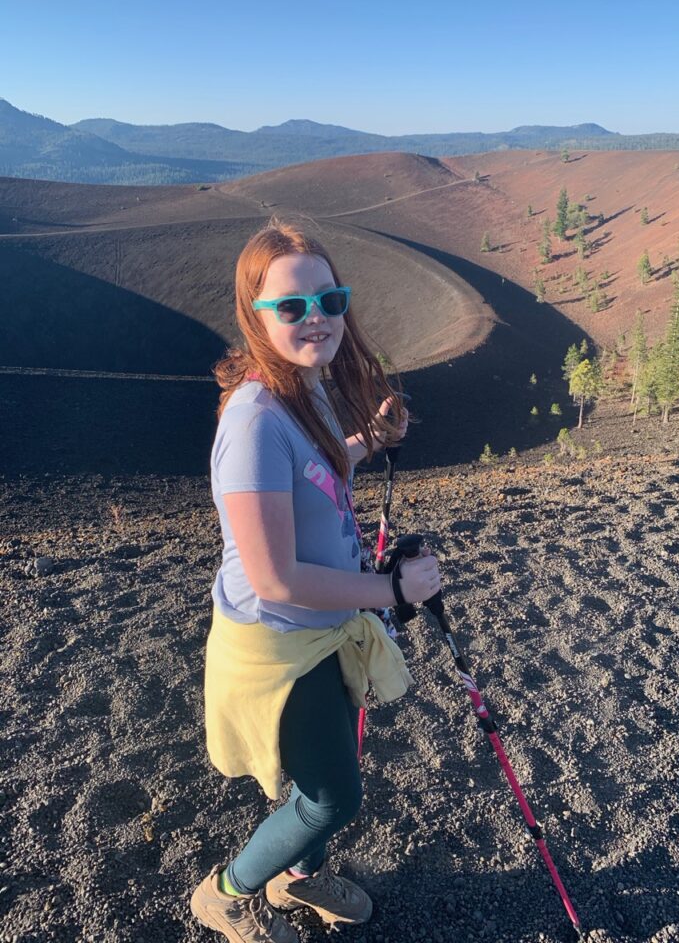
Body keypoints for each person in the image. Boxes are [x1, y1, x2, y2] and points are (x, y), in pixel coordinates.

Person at [190, 220, 441, 943]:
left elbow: (319, 473)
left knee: (322, 776)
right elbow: (273, 578)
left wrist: (368, 442)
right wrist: (395, 593)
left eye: (329, 300)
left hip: (322, 629)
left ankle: (298, 881)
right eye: (292, 306)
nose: (318, 319)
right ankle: (229, 893)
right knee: (332, 797)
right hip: (277, 646)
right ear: (255, 315)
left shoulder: (307, 389)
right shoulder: (253, 421)